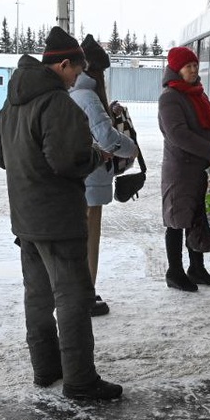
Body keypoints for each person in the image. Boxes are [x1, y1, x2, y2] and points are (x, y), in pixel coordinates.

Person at [0, 26, 123, 401]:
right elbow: (69, 160)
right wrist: (98, 154)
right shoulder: (56, 103)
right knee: (74, 298)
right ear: (63, 64)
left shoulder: (13, 101)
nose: (79, 79)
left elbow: (0, 154)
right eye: (77, 71)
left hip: (26, 217)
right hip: (58, 219)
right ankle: (80, 380)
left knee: (37, 296)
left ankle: (46, 368)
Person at [70, 34, 139, 316]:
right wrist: (131, 148)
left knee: (81, 239)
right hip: (92, 179)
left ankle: (81, 291)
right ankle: (86, 294)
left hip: (82, 178)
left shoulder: (75, 94)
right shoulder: (88, 96)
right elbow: (106, 137)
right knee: (90, 240)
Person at [157, 46, 210, 292]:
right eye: (188, 66)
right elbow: (178, 134)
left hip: (202, 168)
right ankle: (174, 271)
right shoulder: (170, 97)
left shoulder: (199, 93)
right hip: (181, 171)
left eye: (195, 65)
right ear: (176, 69)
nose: (193, 69)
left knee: (197, 218)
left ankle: (196, 268)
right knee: (177, 221)